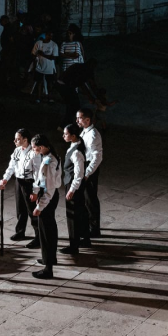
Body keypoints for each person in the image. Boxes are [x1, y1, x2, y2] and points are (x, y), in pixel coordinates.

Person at [0, 128, 39, 245]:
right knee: (20, 208)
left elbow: (37, 172)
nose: (15, 141)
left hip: (29, 182)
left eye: (17, 139)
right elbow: (11, 166)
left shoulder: (34, 153)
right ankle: (20, 231)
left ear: (25, 140)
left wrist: (35, 190)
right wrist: (5, 178)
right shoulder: (17, 150)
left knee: (32, 209)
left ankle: (38, 236)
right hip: (19, 181)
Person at [30, 133, 61, 279]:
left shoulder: (49, 162)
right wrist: (36, 191)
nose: (33, 150)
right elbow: (39, 180)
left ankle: (48, 268)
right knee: (47, 230)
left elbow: (49, 189)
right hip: (47, 196)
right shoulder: (48, 156)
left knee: (46, 233)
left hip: (48, 198)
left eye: (34, 148)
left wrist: (39, 207)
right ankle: (49, 259)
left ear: (41, 147)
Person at [59, 123, 90, 255]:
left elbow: (79, 174)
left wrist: (71, 190)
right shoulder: (74, 146)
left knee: (73, 215)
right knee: (80, 212)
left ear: (73, 136)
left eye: (66, 134)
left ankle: (74, 245)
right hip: (72, 184)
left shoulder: (76, 152)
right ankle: (85, 239)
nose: (63, 136)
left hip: (73, 186)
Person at [77, 107, 104, 238]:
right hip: (84, 166)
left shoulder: (93, 135)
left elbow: (97, 157)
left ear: (87, 120)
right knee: (86, 198)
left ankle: (94, 228)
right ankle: (89, 224)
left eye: (79, 118)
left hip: (90, 169)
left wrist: (87, 173)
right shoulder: (84, 132)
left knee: (90, 199)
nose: (77, 120)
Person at [30, 32, 59, 103]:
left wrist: (42, 54)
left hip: (49, 67)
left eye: (51, 36)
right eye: (49, 35)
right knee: (39, 82)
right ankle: (39, 97)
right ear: (46, 35)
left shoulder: (54, 45)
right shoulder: (38, 43)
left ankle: (50, 97)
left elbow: (54, 57)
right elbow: (33, 54)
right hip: (39, 66)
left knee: (50, 83)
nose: (50, 37)